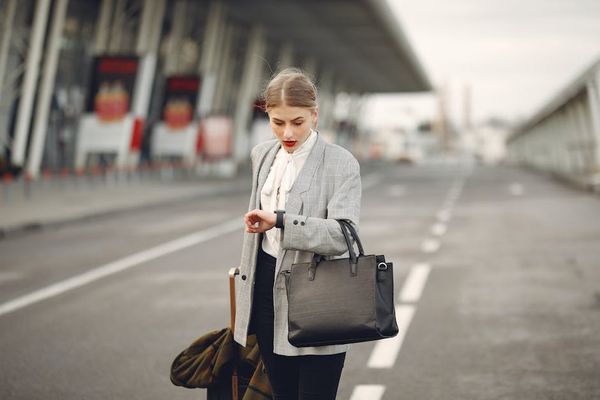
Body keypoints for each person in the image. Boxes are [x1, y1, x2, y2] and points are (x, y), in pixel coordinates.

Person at [234, 67, 362, 400]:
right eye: (278, 122)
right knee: (281, 394)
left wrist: (280, 220)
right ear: (267, 115)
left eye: (298, 122)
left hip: (319, 297)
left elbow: (341, 235)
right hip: (265, 292)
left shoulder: (341, 163)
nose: (287, 132)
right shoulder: (261, 155)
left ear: (315, 116)